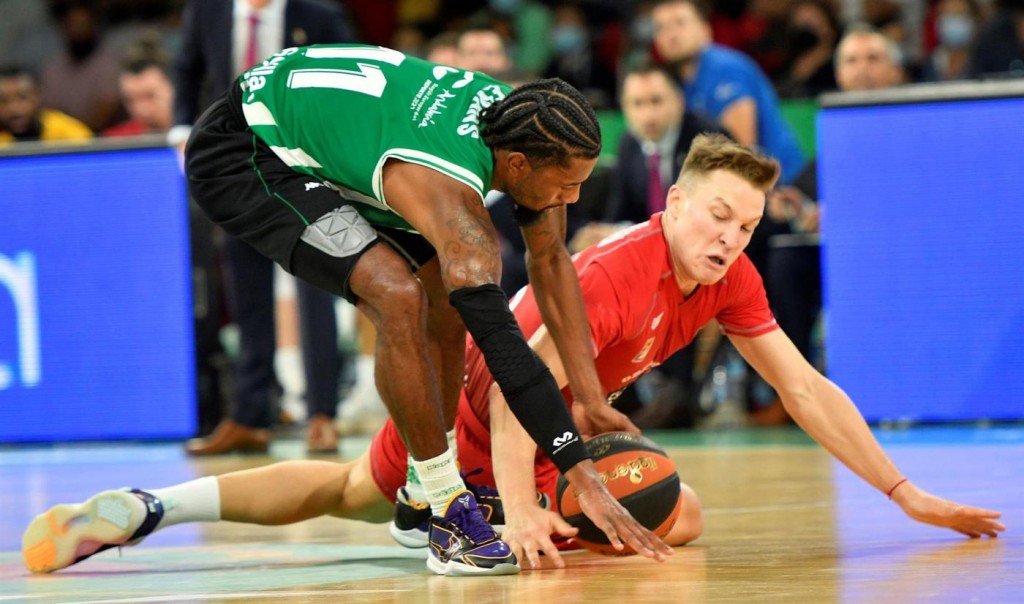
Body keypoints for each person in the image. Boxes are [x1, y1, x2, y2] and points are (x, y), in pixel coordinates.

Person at [23, 135, 1005, 577]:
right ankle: (161, 508)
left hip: (541, 429)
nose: (731, 238)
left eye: (746, 226)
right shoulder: (620, 267)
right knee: (354, 492)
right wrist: (528, 506)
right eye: (717, 215)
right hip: (484, 411)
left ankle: (166, 508)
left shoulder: (723, 279)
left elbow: (802, 383)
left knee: (351, 491)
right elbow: (517, 386)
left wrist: (901, 492)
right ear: (673, 204)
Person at [184, 43, 667, 575]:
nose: (572, 199)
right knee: (397, 293)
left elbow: (551, 260)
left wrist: (592, 398)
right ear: (517, 166)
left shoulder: (533, 123)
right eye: (568, 185)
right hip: (248, 149)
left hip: (338, 125)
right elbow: (505, 353)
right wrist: (580, 471)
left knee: (447, 295)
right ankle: (445, 509)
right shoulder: (449, 193)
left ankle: (418, 501)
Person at [173, 0, 352, 454]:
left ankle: (322, 414)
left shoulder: (318, 14)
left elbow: (349, 79)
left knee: (318, 286)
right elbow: (187, 67)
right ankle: (251, 416)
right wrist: (181, 132)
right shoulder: (209, 11)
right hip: (236, 164)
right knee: (246, 290)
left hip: (305, 162)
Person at [752, 25, 904, 426]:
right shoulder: (837, 127)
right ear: (838, 74)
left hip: (899, 254)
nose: (863, 70)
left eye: (874, 58)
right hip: (841, 255)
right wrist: (790, 203)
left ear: (895, 71)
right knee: (784, 264)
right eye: (852, 60)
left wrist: (850, 215)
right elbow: (804, 193)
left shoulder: (911, 121)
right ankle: (794, 394)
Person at [571, 62, 730, 429]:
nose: (649, 114)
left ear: (677, 101)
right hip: (655, 253)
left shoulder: (707, 141)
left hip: (708, 252)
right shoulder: (630, 144)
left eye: (656, 101)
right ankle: (612, 389)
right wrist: (601, 232)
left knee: (675, 277)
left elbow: (710, 217)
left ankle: (678, 393)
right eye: (638, 104)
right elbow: (621, 213)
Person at [651, 0, 806, 185]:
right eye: (661, 27)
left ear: (704, 30)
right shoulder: (677, 83)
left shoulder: (724, 68)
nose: (671, 34)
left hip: (781, 187)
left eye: (680, 23)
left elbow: (740, 152)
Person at [0, 65, 92, 144]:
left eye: (23, 97)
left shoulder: (68, 133)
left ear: (38, 96)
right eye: (3, 100)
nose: (14, 109)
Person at [103, 49, 175, 137]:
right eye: (130, 100)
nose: (142, 111)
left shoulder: (195, 135)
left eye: (150, 96)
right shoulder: (116, 141)